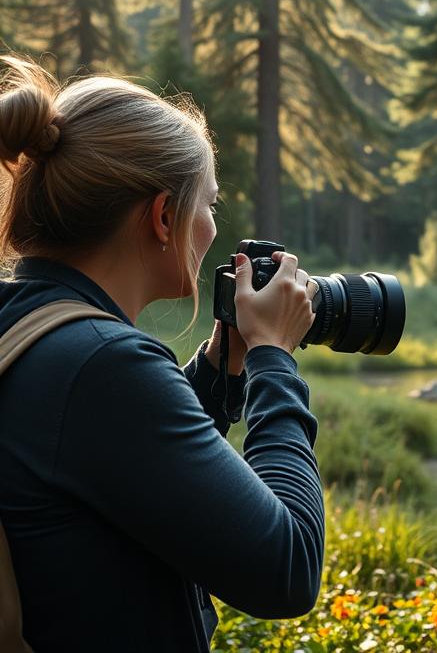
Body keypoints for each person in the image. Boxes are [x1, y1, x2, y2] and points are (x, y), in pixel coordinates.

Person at [0, 55, 325, 652]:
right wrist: (273, 359)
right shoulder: (102, 365)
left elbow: (109, 460)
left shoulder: (26, 329)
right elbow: (289, 569)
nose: (209, 228)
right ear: (164, 215)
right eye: (208, 205)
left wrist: (217, 369)